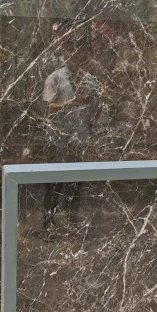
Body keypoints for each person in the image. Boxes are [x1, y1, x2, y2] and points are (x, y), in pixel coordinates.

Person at [41, 29, 100, 231]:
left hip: (80, 138)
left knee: (77, 182)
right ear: (67, 54)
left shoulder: (89, 79)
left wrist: (92, 124)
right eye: (74, 52)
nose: (79, 56)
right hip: (58, 138)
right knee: (54, 182)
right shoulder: (55, 78)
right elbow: (48, 107)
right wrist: (71, 103)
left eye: (82, 53)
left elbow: (95, 106)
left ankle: (72, 220)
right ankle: (48, 222)